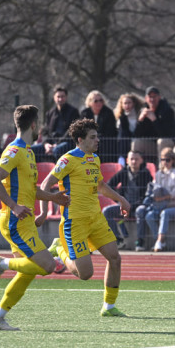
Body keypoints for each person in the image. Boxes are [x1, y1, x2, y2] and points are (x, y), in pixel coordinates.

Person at [0, 105, 70, 331]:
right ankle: (0, 263)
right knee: (48, 266)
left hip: (25, 221)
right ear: (33, 125)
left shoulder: (29, 152)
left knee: (27, 272)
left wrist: (53, 197)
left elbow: (30, 190)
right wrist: (13, 206)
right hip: (15, 221)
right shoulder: (14, 151)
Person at [36, 118, 131, 317]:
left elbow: (101, 186)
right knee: (85, 274)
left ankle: (109, 306)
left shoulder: (94, 158)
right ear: (80, 140)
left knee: (115, 258)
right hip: (75, 222)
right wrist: (44, 211)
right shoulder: (67, 160)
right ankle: (59, 249)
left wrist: (120, 199)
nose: (97, 141)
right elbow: (45, 185)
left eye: (97, 137)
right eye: (93, 137)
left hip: (95, 219)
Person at [134, 146, 175, 252]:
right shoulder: (158, 174)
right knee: (148, 216)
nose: (165, 162)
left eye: (168, 160)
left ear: (173, 160)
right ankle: (159, 240)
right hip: (159, 205)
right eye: (163, 159)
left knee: (165, 213)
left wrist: (164, 197)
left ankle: (159, 240)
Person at [103, 149, 153, 245]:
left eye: (136, 159)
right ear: (127, 160)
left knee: (140, 211)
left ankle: (140, 241)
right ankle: (118, 239)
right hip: (124, 205)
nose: (134, 161)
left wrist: (131, 206)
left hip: (139, 206)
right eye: (132, 159)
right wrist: (119, 200)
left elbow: (146, 196)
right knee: (106, 211)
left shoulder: (146, 174)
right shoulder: (124, 172)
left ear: (141, 160)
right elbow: (109, 186)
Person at [34, 85, 81, 162]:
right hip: (50, 143)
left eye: (62, 96)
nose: (60, 99)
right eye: (58, 96)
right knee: (32, 150)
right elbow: (45, 131)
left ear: (66, 97)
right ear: (54, 97)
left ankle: (58, 173)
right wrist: (46, 144)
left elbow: (71, 131)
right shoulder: (50, 113)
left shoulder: (73, 112)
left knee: (57, 150)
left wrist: (57, 144)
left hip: (67, 143)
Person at [134, 85, 175, 156]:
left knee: (161, 141)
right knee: (137, 142)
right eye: (150, 97)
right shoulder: (143, 111)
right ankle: (138, 166)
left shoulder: (167, 111)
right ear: (146, 99)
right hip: (152, 144)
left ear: (159, 97)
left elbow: (165, 135)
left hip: (168, 144)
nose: (152, 99)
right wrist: (140, 121)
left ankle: (161, 166)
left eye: (154, 96)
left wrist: (154, 120)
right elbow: (137, 135)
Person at [80, 90, 119, 162]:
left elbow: (110, 131)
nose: (99, 103)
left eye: (101, 100)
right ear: (90, 102)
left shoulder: (108, 112)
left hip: (105, 141)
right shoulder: (85, 113)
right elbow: (83, 129)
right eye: (96, 101)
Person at [114, 92, 143, 161]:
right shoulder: (121, 117)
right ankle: (121, 159)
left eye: (129, 103)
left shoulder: (140, 114)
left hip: (138, 139)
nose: (127, 105)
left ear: (134, 103)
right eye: (125, 103)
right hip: (125, 141)